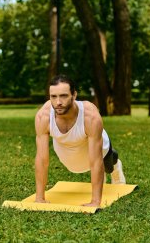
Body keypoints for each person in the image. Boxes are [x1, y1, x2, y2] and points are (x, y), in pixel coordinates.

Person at [34, 75, 126, 207]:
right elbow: (42, 160)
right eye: (53, 96)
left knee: (108, 166)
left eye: (64, 96)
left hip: (94, 146)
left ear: (74, 95)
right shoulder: (43, 116)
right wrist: (39, 198)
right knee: (75, 166)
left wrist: (95, 201)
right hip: (67, 152)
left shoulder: (90, 116)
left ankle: (116, 165)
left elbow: (95, 161)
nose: (58, 102)